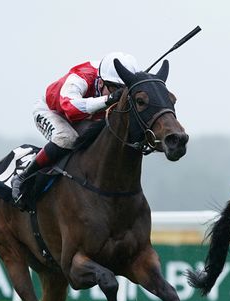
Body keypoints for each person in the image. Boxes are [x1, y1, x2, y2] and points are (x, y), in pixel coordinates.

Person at [11, 52, 140, 205]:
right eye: (114, 89)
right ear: (100, 82)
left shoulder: (110, 78)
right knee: (67, 138)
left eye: (123, 90)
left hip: (86, 116)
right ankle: (23, 177)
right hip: (53, 111)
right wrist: (108, 99)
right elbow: (70, 108)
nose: (119, 94)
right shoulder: (81, 76)